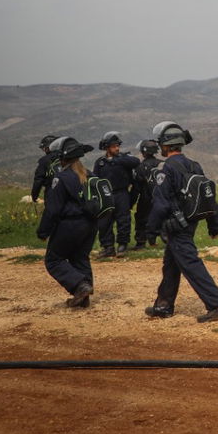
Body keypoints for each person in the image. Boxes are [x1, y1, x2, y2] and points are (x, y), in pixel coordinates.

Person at [144, 121, 218, 322]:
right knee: (171, 264)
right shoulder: (194, 165)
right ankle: (163, 305)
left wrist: (150, 231)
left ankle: (217, 303)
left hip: (175, 225)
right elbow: (209, 196)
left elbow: (161, 204)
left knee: (190, 263)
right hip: (191, 221)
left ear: (165, 145)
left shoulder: (167, 168)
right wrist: (214, 224)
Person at [35, 136, 97, 308]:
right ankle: (83, 299)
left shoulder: (61, 178)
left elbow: (53, 209)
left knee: (54, 260)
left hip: (70, 225)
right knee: (80, 258)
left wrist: (43, 231)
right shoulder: (89, 174)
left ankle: (79, 286)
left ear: (61, 157)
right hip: (90, 225)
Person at [93, 132, 140, 258]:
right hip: (105, 195)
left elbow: (136, 162)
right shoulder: (100, 162)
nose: (117, 148)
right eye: (114, 146)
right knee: (104, 222)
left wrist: (118, 159)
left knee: (123, 220)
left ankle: (122, 246)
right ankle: (108, 247)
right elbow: (95, 180)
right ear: (107, 147)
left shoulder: (124, 158)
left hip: (122, 193)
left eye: (118, 145)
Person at [131, 138, 162, 249]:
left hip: (146, 198)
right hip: (160, 197)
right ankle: (164, 238)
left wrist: (131, 202)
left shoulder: (140, 167)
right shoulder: (161, 164)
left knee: (141, 219)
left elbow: (136, 188)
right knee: (162, 217)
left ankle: (141, 242)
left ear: (144, 152)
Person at [29, 134, 60, 203]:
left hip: (52, 193)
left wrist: (34, 196)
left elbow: (38, 180)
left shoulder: (44, 160)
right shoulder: (67, 157)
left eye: (44, 148)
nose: (44, 150)